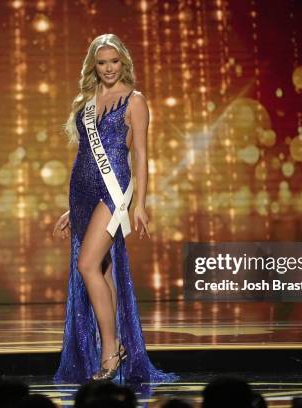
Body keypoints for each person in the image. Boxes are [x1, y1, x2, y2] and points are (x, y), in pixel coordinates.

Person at [52, 33, 176, 384]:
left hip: (114, 191)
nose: (108, 68)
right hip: (81, 192)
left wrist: (140, 203)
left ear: (124, 63)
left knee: (87, 264)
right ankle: (110, 345)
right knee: (102, 273)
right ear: (94, 65)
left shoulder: (135, 100)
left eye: (114, 62)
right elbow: (83, 155)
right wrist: (71, 210)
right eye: (102, 62)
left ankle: (111, 347)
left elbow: (140, 155)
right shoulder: (86, 100)